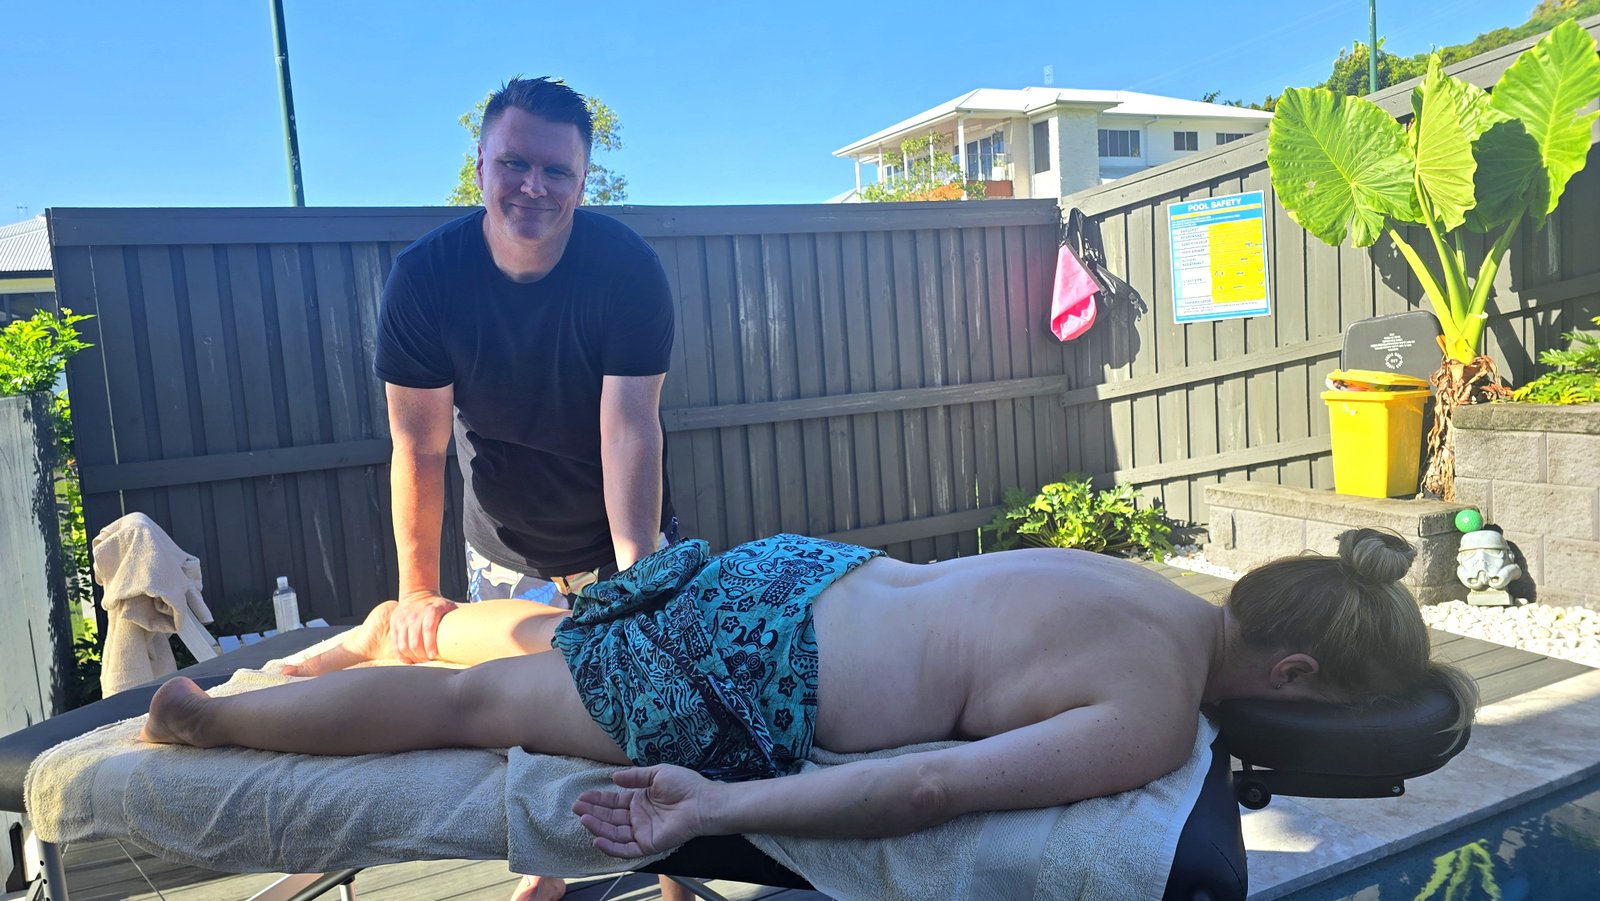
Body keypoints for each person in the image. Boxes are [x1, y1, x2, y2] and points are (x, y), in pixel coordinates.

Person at [142, 529, 1478, 865]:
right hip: (769, 675)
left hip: (798, 572)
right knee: (476, 708)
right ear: (1291, 678)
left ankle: (388, 621)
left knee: (569, 630)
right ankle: (211, 718)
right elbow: (934, 785)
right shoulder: (1150, 710)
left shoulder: (1143, 584)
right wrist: (723, 801)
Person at [375, 76, 675, 900]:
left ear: (583, 180)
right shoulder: (426, 281)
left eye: (556, 171)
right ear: (481, 166)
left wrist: (640, 577)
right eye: (514, 164)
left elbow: (629, 429)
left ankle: (682, 877)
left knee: (657, 727)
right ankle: (545, 876)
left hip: (621, 534)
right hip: (505, 555)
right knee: (532, 740)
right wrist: (417, 592)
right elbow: (418, 442)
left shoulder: (627, 270)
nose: (532, 187)